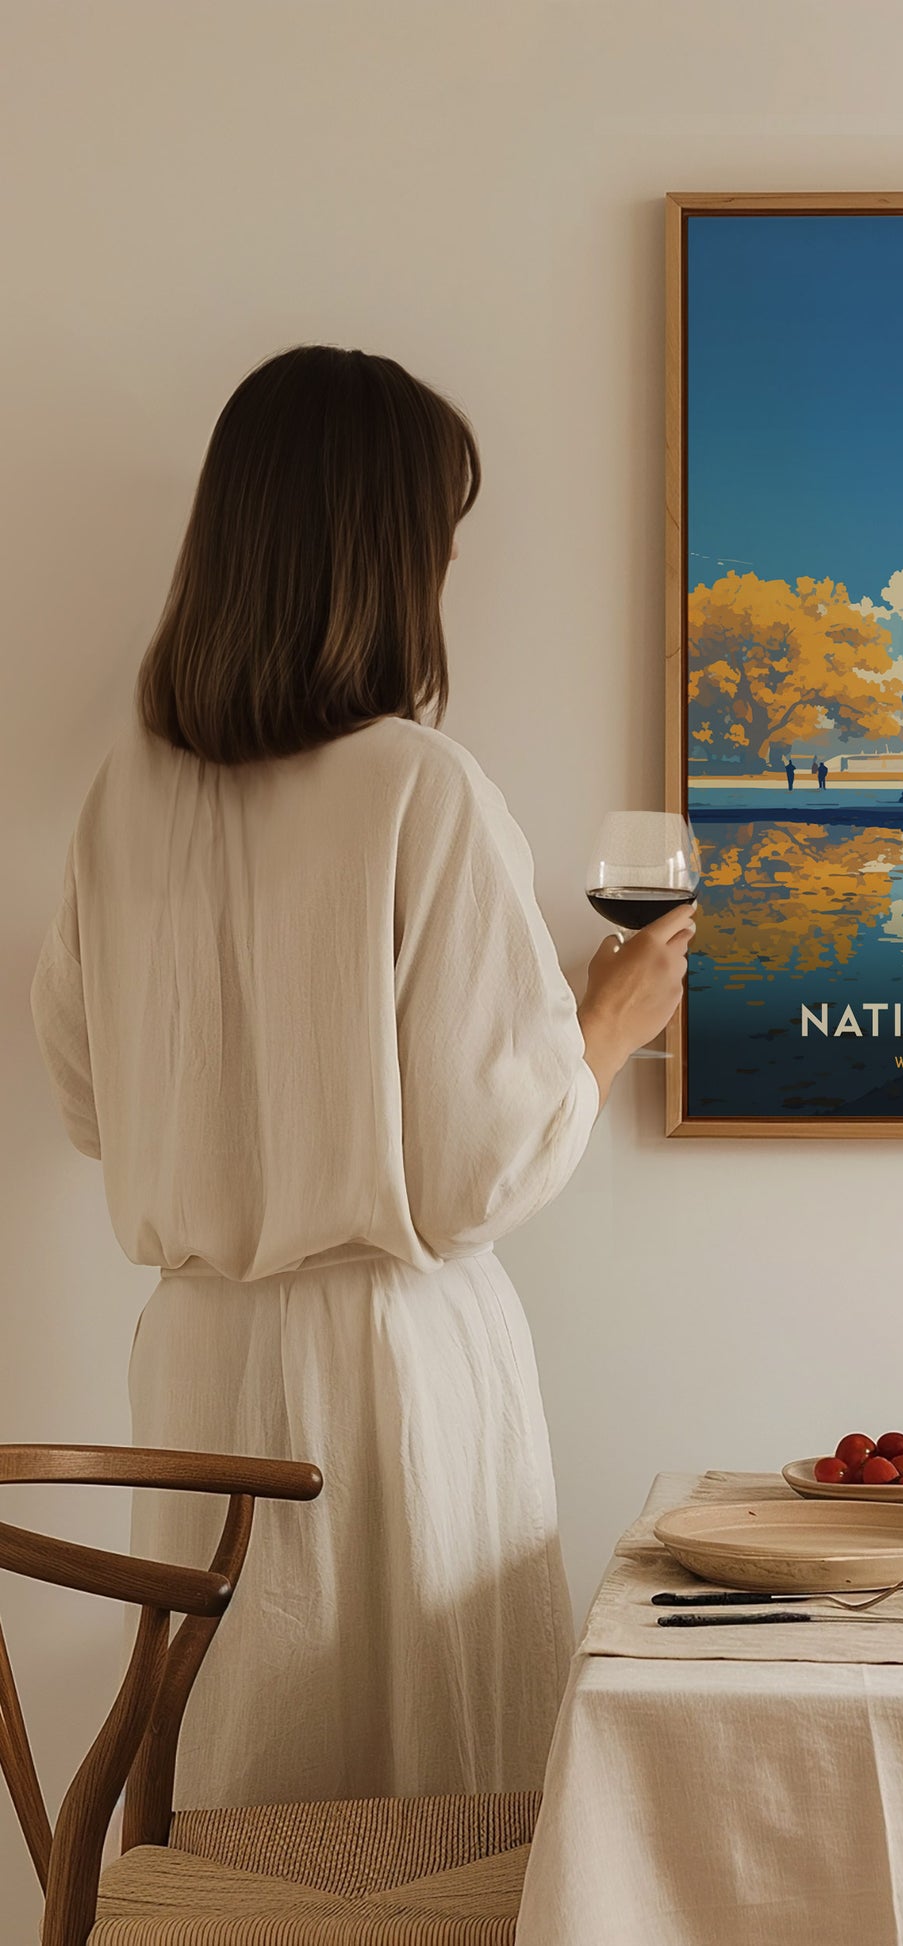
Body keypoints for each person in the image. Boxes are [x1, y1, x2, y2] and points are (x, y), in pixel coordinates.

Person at [30, 346, 692, 1809]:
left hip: (196, 1362)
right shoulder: (419, 786)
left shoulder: (122, 797)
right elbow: (475, 1172)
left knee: (241, 1793)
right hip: (392, 1371)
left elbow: (88, 1099)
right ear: (386, 556)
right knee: (425, 1809)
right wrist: (607, 1021)